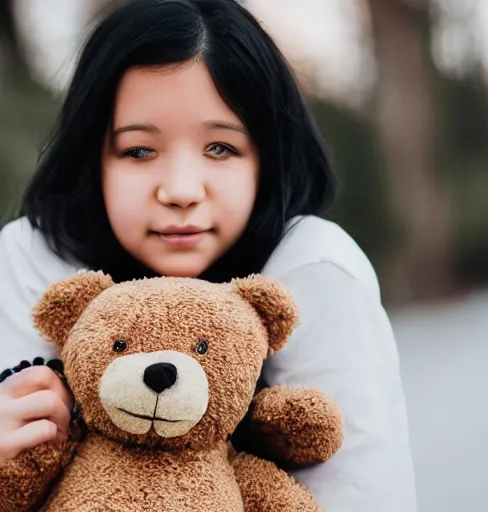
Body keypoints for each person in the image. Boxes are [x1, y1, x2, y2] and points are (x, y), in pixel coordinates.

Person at [0, 0, 417, 510]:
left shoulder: (314, 265)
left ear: (267, 157)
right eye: (138, 150)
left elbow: (366, 495)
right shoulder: (33, 257)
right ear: (93, 159)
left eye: (220, 148)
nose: (179, 190)